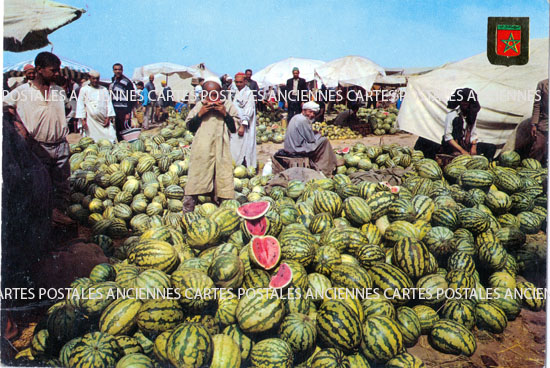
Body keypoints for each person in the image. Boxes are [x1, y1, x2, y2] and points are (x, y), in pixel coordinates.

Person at [4, 52, 72, 218]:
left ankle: (59, 221)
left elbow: (68, 108)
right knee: (40, 188)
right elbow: (4, 107)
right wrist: (18, 124)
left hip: (61, 146)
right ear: (39, 69)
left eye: (58, 70)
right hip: (37, 147)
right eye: (53, 70)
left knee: (61, 188)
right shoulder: (22, 91)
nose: (57, 74)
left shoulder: (58, 91)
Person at [183, 77, 241, 212]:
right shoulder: (199, 106)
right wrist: (201, 113)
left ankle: (223, 211)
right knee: (197, 178)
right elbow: (190, 126)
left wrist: (224, 114)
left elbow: (234, 128)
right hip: (202, 149)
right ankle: (188, 211)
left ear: (221, 93)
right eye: (208, 94)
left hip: (221, 149)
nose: (212, 97)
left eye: (215, 94)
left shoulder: (228, 105)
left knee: (222, 179)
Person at [284, 101, 338, 176]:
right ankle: (325, 168)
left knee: (321, 140)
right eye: (310, 112)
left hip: (290, 147)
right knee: (324, 141)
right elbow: (311, 140)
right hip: (297, 148)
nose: (312, 115)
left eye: (314, 113)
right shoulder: (303, 120)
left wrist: (313, 132)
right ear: (304, 110)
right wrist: (318, 135)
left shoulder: (296, 117)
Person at [75, 70, 116, 142]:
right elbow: (80, 105)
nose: (95, 80)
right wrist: (83, 120)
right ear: (89, 78)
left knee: (109, 138)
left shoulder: (104, 89)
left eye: (97, 78)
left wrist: (108, 117)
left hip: (103, 120)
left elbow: (109, 103)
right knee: (92, 140)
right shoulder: (84, 89)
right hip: (90, 120)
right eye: (93, 78)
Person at [441, 88, 481, 156]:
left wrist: (474, 146)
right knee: (457, 121)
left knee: (490, 147)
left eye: (467, 101)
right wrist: (462, 151)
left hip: (466, 145)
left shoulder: (472, 115)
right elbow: (448, 137)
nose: (465, 103)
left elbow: (473, 134)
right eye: (463, 100)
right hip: (453, 146)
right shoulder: (452, 115)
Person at [230, 72, 257, 169]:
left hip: (244, 125)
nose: (238, 84)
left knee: (246, 144)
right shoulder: (233, 91)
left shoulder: (248, 93)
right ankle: (235, 164)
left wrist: (243, 125)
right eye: (236, 82)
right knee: (235, 145)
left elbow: (249, 110)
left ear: (245, 81)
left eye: (240, 82)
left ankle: (246, 165)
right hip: (234, 123)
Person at [110, 63, 136, 141]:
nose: (117, 71)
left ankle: (127, 147)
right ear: (113, 71)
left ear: (122, 70)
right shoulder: (114, 81)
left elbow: (131, 98)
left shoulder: (127, 82)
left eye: (119, 69)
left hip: (124, 110)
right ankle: (121, 146)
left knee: (125, 130)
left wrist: (128, 112)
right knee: (118, 130)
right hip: (116, 109)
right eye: (115, 69)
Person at [529, 78, 549, 165]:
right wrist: (534, 124)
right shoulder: (542, 84)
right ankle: (531, 168)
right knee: (539, 146)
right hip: (544, 122)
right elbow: (537, 105)